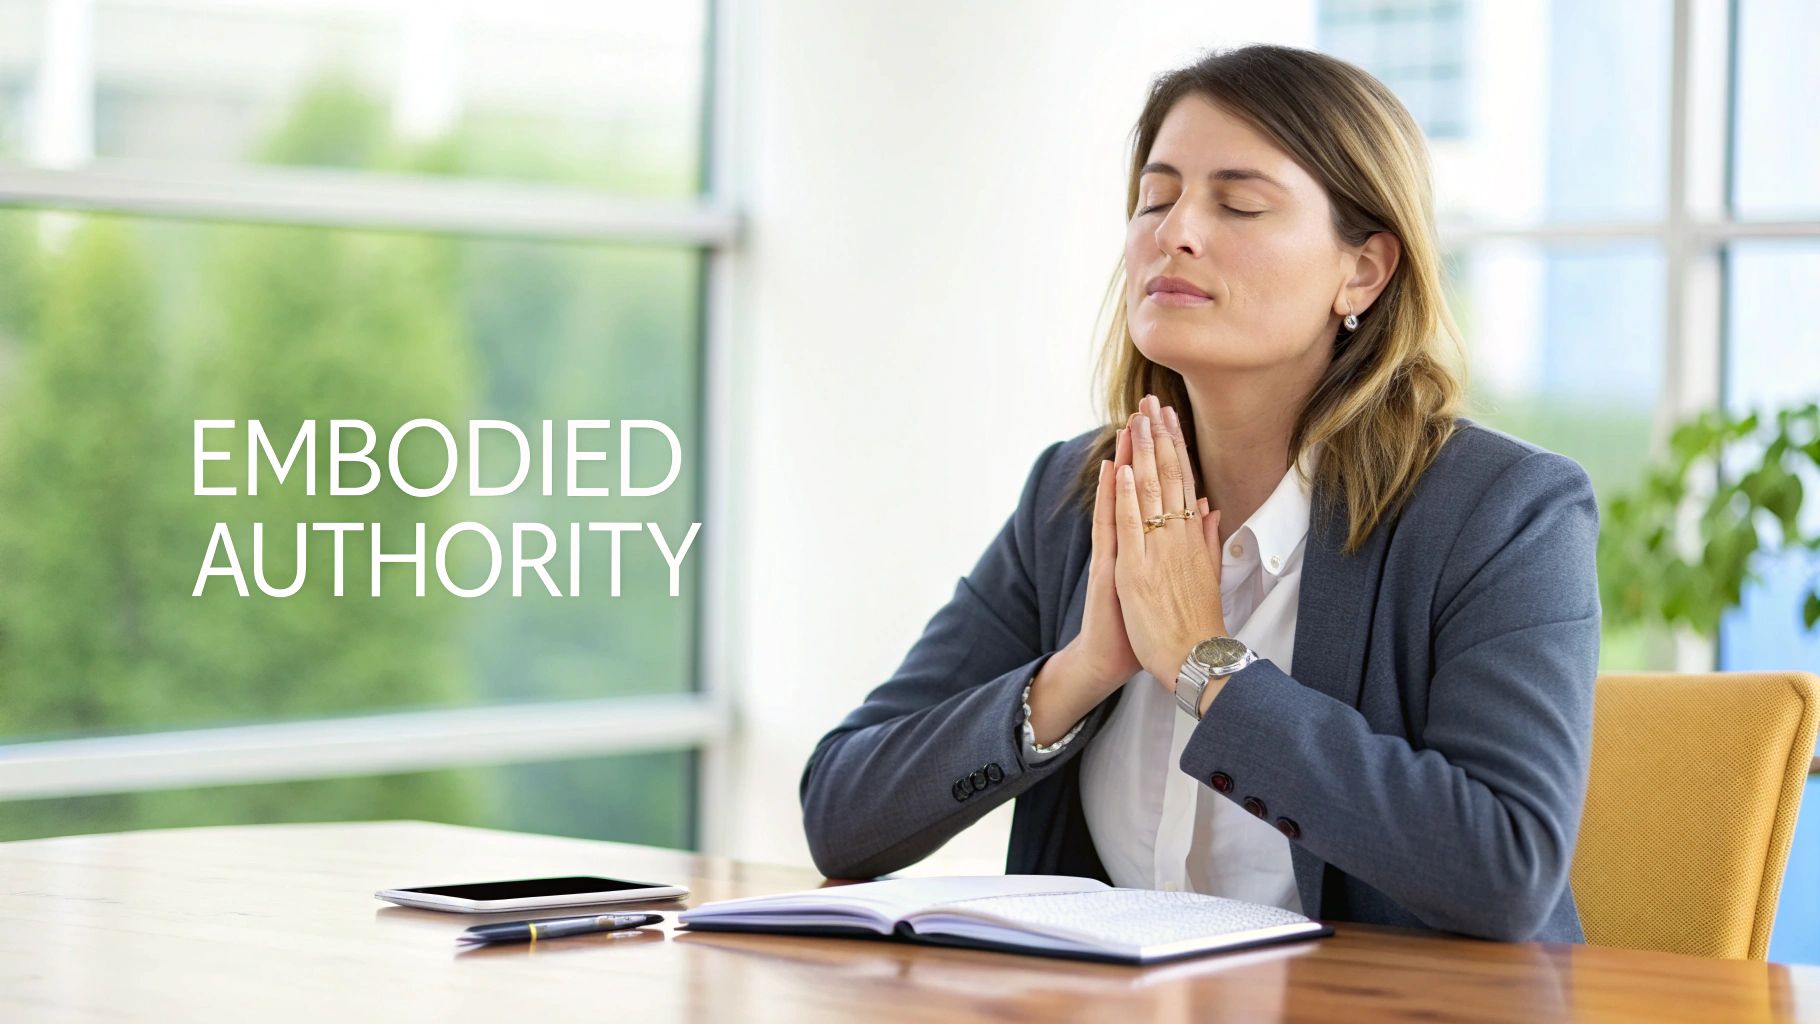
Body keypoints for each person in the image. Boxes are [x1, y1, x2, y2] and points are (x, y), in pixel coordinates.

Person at [798, 44, 1599, 943]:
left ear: (1364, 271)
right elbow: (842, 812)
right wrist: (1079, 673)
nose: (1174, 232)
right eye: (1156, 198)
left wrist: (1202, 661)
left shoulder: (1502, 513)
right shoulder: (1074, 499)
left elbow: (1504, 871)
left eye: (1239, 204)